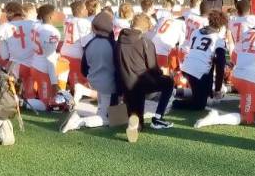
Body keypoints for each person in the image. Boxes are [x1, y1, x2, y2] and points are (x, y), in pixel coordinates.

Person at [116, 13, 175, 142]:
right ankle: (158, 118)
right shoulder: (145, 42)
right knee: (169, 82)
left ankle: (132, 122)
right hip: (141, 82)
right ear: (146, 27)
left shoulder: (119, 41)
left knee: (134, 113)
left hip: (124, 83)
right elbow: (153, 68)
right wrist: (162, 74)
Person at [61, 11, 119, 132]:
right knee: (112, 119)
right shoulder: (113, 44)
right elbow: (118, 67)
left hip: (95, 81)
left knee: (118, 116)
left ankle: (100, 110)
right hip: (109, 85)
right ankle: (78, 122)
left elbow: (84, 68)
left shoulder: (90, 44)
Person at [173, 10, 228, 115]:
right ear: (221, 26)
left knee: (204, 92)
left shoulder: (196, 32)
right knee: (199, 105)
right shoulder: (218, 39)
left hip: (187, 67)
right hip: (199, 72)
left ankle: (180, 92)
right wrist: (217, 89)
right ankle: (175, 102)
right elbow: (220, 64)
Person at [25, 5, 63, 112]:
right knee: (47, 105)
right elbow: (50, 58)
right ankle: (21, 102)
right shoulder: (51, 31)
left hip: (34, 65)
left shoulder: (36, 27)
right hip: (43, 70)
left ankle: (26, 100)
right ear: (51, 16)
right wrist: (54, 83)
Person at [61, 0, 95, 98]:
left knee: (72, 79)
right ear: (80, 10)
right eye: (85, 8)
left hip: (65, 51)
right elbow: (87, 43)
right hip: (76, 55)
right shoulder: (83, 22)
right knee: (79, 84)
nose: (86, 10)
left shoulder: (68, 20)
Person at [150, 11, 186, 75]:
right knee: (163, 77)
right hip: (162, 51)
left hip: (151, 46)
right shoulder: (182, 24)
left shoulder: (165, 19)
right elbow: (182, 45)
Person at [228, 0, 255, 64]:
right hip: (248, 54)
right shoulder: (252, 19)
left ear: (237, 10)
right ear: (249, 9)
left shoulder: (232, 20)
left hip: (236, 52)